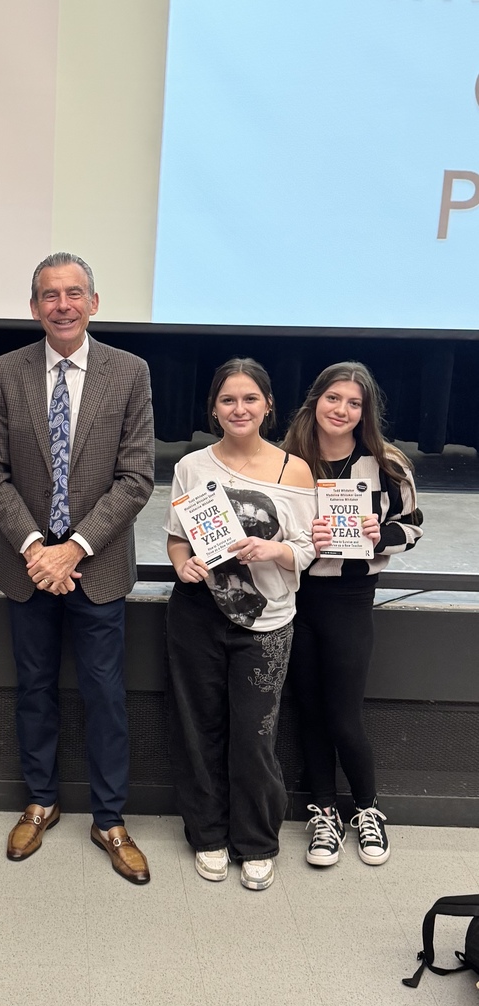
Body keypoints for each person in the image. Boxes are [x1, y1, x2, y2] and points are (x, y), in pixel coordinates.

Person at [0, 253, 155, 885]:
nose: (62, 305)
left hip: (96, 568)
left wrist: (73, 548)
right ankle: (41, 801)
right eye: (49, 295)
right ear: (34, 308)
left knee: (105, 695)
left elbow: (136, 479)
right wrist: (34, 546)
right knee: (34, 690)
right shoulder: (5, 371)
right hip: (28, 566)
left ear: (94, 303)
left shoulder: (129, 373)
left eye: (73, 293)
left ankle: (109, 818)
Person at [164, 358, 315, 891]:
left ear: (268, 405)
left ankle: (256, 841)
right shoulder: (191, 466)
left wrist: (272, 548)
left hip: (267, 622)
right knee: (199, 727)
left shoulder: (294, 470)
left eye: (250, 398)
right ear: (214, 409)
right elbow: (177, 537)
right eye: (228, 400)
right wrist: (181, 563)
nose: (239, 409)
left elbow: (306, 549)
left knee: (255, 735)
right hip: (197, 615)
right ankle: (207, 833)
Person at [283, 362, 423, 868]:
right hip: (293, 600)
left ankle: (367, 808)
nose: (341, 410)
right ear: (314, 401)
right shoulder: (286, 461)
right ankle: (324, 812)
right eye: (333, 398)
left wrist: (376, 533)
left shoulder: (386, 464)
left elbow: (413, 528)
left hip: (349, 599)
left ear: (365, 411)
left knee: (344, 714)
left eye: (354, 403)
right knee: (310, 712)